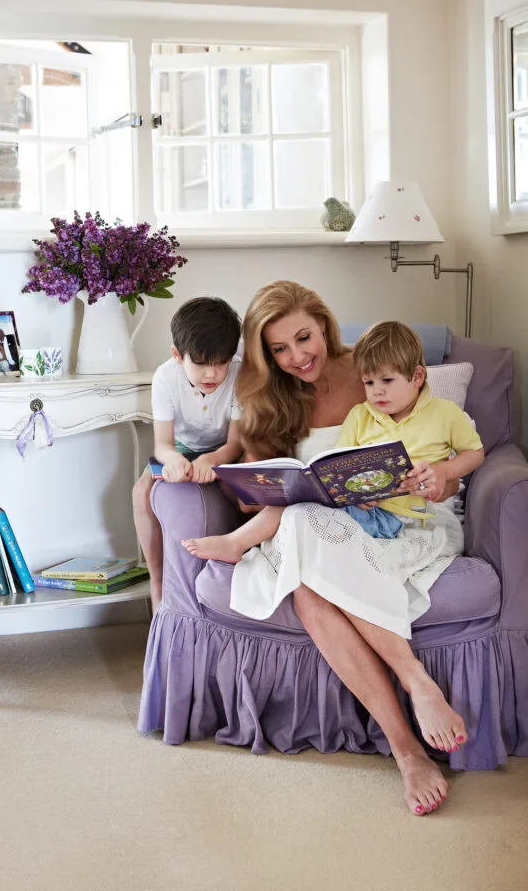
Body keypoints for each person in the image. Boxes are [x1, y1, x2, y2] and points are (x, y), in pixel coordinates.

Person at [180, 281, 472, 816]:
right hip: (311, 523)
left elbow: (436, 450)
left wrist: (440, 481)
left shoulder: (371, 371)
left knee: (310, 576)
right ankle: (408, 744)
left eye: (304, 338)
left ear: (324, 324)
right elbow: (257, 490)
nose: (296, 357)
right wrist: (255, 489)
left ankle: (415, 704)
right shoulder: (264, 390)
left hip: (389, 522)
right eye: (279, 349)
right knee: (306, 553)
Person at [132, 297, 243, 610]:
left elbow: (235, 443)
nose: (211, 374)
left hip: (225, 447)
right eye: (201, 363)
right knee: (142, 492)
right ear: (178, 356)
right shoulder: (165, 378)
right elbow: (163, 444)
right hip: (182, 446)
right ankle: (157, 580)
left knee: (240, 493)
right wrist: (174, 461)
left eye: (220, 363)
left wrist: (214, 460)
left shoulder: (240, 375)